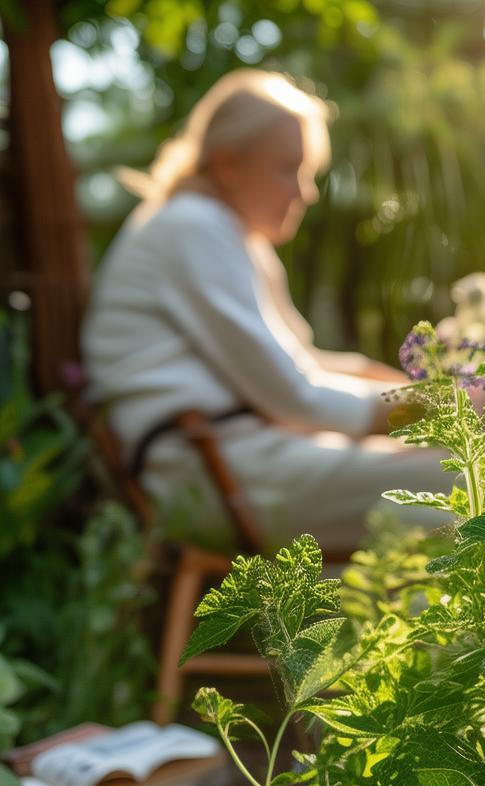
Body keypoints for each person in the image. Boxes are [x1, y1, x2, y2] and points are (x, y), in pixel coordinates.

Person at [82, 69, 453, 552]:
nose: (306, 193)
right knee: (470, 472)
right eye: (288, 169)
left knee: (458, 478)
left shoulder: (235, 237)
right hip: (210, 472)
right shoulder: (192, 226)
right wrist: (443, 407)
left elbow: (303, 364)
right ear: (227, 164)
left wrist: (426, 393)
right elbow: (294, 395)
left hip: (239, 457)